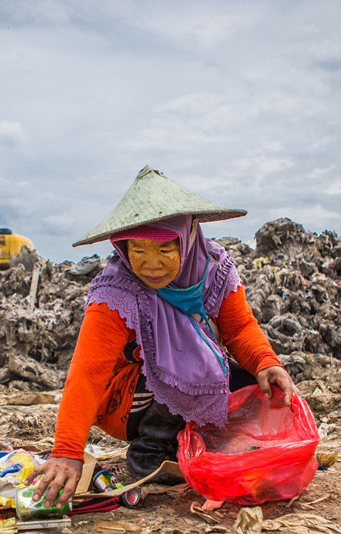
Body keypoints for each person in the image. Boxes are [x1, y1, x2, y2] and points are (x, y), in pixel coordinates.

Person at [27, 166, 295, 507]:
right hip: (129, 400)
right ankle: (150, 450)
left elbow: (239, 328)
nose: (150, 265)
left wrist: (265, 362)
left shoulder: (214, 270)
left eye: (165, 250)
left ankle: (197, 442)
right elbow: (88, 373)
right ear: (123, 248)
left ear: (187, 239)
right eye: (138, 251)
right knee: (190, 361)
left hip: (185, 379)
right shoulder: (117, 292)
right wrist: (67, 452)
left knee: (248, 382)